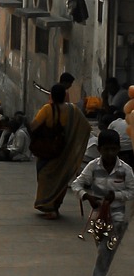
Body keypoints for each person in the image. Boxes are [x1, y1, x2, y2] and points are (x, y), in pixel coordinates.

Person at [71, 129, 134, 276]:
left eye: (113, 149)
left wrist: (117, 196)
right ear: (99, 149)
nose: (110, 153)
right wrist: (86, 196)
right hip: (98, 217)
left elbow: (131, 191)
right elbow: (77, 184)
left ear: (119, 149)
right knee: (104, 251)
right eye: (106, 149)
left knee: (105, 252)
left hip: (118, 218)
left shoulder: (125, 170)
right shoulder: (93, 166)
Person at [29, 82, 91, 218]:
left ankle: (49, 207)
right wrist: (74, 142)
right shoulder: (73, 110)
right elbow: (86, 128)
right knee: (61, 178)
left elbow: (33, 126)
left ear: (51, 96)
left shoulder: (47, 109)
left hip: (49, 151)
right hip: (66, 152)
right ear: (64, 96)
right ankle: (55, 206)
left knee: (45, 177)